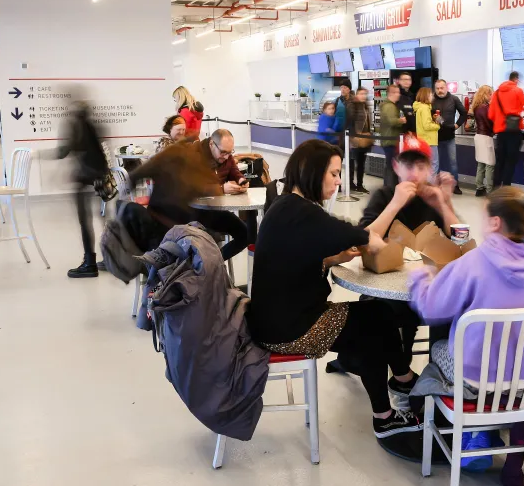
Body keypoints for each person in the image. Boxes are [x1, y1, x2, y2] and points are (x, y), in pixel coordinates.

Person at [246, 139, 424, 439]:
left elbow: (293, 258)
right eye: (334, 174)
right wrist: (395, 203)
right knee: (372, 328)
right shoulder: (303, 213)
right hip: (289, 329)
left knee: (377, 313)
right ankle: (387, 413)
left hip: (273, 319)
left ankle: (402, 381)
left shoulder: (286, 207)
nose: (339, 181)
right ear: (310, 171)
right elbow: (368, 237)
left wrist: (333, 259)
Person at [408, 186, 524, 486]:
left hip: (475, 382)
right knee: (512, 358)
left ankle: (473, 433)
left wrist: (419, 276)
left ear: (495, 223)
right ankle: (510, 458)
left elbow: (431, 309)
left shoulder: (474, 262)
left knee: (441, 348)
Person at [357, 136, 460, 367]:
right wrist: (395, 203)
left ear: (429, 170)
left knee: (450, 309)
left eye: (421, 167)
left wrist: (444, 204)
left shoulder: (431, 199)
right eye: (408, 165)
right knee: (379, 312)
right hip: (387, 285)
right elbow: (362, 238)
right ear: (396, 167)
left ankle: (437, 374)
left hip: (426, 287)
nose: (414, 173)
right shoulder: (384, 196)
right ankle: (402, 373)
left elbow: (461, 241)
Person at [126, 129, 252, 260]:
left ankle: (212, 264)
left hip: (207, 212)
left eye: (230, 152)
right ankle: (204, 265)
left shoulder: (224, 156)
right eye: (223, 152)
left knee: (246, 234)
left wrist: (241, 180)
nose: (226, 156)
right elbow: (190, 188)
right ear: (211, 144)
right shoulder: (191, 155)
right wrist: (221, 188)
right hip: (184, 217)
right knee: (204, 243)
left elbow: (234, 171)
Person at [58, 101, 108, 278]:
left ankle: (89, 263)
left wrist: (37, 155)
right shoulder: (93, 126)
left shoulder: (77, 127)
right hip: (102, 177)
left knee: (85, 221)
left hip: (85, 178)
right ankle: (110, 258)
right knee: (105, 219)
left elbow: (63, 151)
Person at [489, 71, 524, 188]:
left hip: (500, 132)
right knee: (511, 161)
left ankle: (495, 187)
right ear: (516, 79)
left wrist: (500, 120)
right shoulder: (518, 91)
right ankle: (506, 188)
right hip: (514, 131)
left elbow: (490, 115)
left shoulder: (496, 93)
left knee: (500, 161)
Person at [432, 80, 467, 195]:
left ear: (446, 87)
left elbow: (464, 113)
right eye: (437, 88)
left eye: (441, 88)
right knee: (435, 164)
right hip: (435, 137)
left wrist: (457, 125)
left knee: (453, 162)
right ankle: (436, 185)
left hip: (450, 137)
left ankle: (455, 185)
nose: (439, 90)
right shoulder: (431, 100)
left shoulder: (454, 99)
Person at [378, 84, 406, 189]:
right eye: (397, 92)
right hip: (390, 140)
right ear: (392, 93)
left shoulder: (388, 105)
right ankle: (389, 188)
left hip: (389, 139)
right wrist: (402, 120)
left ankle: (388, 187)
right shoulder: (389, 106)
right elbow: (391, 121)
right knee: (391, 166)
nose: (399, 95)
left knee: (390, 165)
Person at [348, 87, 373, 194]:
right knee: (352, 162)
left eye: (365, 94)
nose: (363, 96)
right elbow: (349, 122)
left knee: (361, 163)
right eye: (361, 94)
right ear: (357, 94)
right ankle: (351, 184)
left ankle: (359, 184)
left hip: (365, 138)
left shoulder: (366, 106)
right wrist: (353, 136)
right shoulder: (352, 106)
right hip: (355, 138)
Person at [471, 85, 495, 197]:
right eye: (490, 94)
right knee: (490, 164)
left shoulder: (476, 107)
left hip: (478, 136)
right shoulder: (486, 108)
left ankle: (479, 188)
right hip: (486, 137)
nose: (491, 96)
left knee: (480, 164)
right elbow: (489, 123)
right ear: (485, 94)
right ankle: (490, 190)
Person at [413, 87, 442, 173]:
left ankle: (424, 184)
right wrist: (437, 125)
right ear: (426, 96)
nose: (432, 96)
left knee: (425, 165)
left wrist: (433, 119)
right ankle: (430, 185)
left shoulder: (419, 107)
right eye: (430, 94)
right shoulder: (425, 108)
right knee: (434, 165)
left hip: (423, 140)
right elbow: (427, 126)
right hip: (430, 140)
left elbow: (423, 123)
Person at [333, 79, 353, 147]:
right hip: (339, 134)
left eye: (345, 87)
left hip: (351, 135)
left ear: (349, 89)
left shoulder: (355, 102)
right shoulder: (337, 101)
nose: (342, 89)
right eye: (341, 87)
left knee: (350, 155)